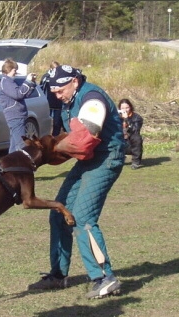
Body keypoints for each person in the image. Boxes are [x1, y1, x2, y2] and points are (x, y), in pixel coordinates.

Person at [27, 64, 125, 299]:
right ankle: (58, 275)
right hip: (88, 160)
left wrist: (51, 150)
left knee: (83, 217)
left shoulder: (92, 99)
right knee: (59, 212)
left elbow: (82, 141)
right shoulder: (69, 101)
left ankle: (104, 277)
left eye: (60, 90)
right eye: (54, 92)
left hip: (107, 159)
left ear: (75, 82)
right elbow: (69, 139)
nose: (57, 96)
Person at [0, 58, 37, 153]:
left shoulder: (9, 81)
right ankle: (22, 165)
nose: (15, 73)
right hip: (15, 116)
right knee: (22, 145)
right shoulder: (6, 81)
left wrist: (31, 82)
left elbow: (24, 94)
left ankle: (10, 166)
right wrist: (27, 81)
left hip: (18, 116)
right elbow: (18, 94)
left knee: (14, 146)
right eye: (14, 70)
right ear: (9, 69)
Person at [40, 60, 64, 136]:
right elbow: (41, 88)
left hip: (58, 103)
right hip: (48, 103)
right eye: (55, 69)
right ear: (51, 68)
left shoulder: (62, 76)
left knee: (57, 123)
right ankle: (46, 137)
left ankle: (55, 137)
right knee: (47, 122)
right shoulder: (46, 77)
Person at [118, 98, 144, 169]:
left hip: (130, 140)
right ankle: (119, 158)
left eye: (127, 107)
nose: (125, 110)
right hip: (120, 139)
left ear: (130, 107)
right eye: (122, 108)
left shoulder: (137, 118)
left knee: (137, 138)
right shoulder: (116, 117)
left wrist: (127, 119)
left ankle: (136, 162)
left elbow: (135, 130)